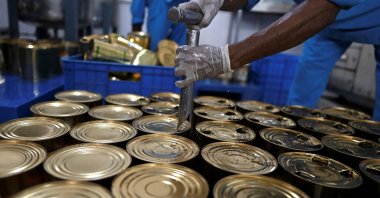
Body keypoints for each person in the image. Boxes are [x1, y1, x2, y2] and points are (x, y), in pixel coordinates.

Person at [174, 0, 380, 120]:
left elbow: (323, 7)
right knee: (300, 102)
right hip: (328, 29)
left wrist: (226, 57)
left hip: (363, 16)